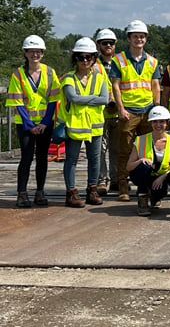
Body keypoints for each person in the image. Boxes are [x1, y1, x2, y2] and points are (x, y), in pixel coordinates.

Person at [6, 35, 60, 208]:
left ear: (43, 53)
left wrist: (44, 122)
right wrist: (29, 125)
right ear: (25, 53)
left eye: (38, 51)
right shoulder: (18, 75)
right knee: (26, 158)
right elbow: (17, 101)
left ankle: (40, 191)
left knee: (42, 158)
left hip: (45, 123)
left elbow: (54, 100)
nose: (35, 54)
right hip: (25, 125)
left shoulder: (50, 73)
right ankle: (22, 193)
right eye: (31, 51)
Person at [110, 20, 161, 202]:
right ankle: (123, 187)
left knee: (148, 151)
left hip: (147, 112)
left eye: (142, 36)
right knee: (124, 150)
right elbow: (115, 86)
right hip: (128, 112)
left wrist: (156, 108)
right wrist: (121, 109)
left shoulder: (152, 61)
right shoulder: (119, 60)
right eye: (135, 36)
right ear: (129, 38)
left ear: (146, 39)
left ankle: (147, 187)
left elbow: (155, 85)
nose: (139, 39)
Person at [59, 38, 109, 207]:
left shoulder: (100, 78)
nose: (85, 60)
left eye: (89, 57)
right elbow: (72, 98)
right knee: (71, 159)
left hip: (95, 126)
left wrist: (83, 100)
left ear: (94, 58)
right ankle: (71, 192)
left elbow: (105, 100)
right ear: (76, 59)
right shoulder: (68, 78)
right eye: (81, 57)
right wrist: (94, 99)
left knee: (94, 159)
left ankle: (92, 190)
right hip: (75, 125)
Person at [126, 106, 170, 216]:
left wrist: (163, 177)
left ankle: (154, 196)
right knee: (144, 166)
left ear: (167, 123)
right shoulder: (141, 140)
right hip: (143, 175)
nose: (158, 125)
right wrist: (140, 160)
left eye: (161, 122)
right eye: (155, 122)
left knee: (160, 192)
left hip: (162, 177)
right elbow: (129, 166)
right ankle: (142, 198)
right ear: (150, 123)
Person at [93, 29, 119, 195]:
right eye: (105, 43)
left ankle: (116, 180)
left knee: (117, 149)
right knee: (100, 150)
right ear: (98, 45)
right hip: (99, 113)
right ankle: (102, 180)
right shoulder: (92, 64)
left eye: (111, 43)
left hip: (118, 112)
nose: (108, 45)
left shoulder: (121, 62)